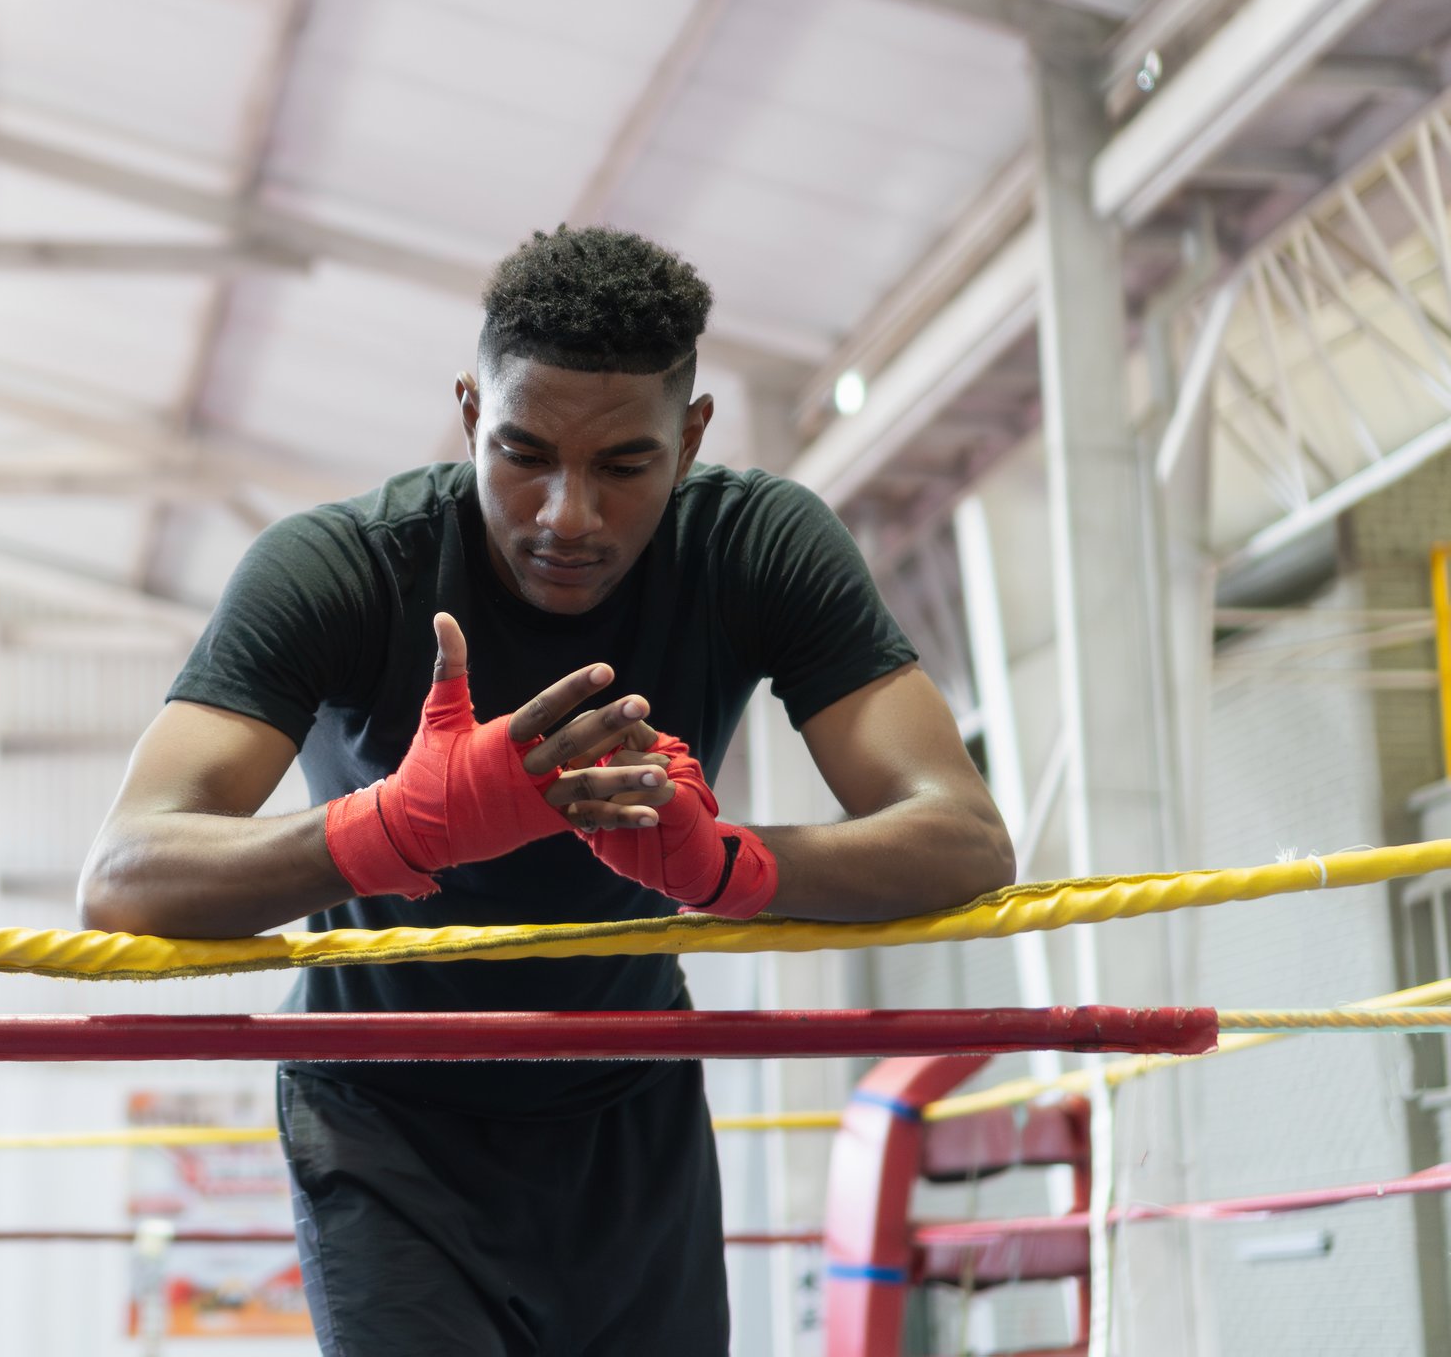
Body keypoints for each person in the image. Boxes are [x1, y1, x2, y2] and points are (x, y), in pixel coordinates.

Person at [79, 225, 1015, 1355]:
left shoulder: (753, 546)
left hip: (631, 1102)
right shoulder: (344, 567)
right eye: (524, 453)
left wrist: (727, 867)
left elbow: (963, 834)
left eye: (624, 465)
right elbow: (124, 877)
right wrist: (386, 828)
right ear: (472, 413)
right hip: (387, 1116)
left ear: (693, 434)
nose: (568, 515)